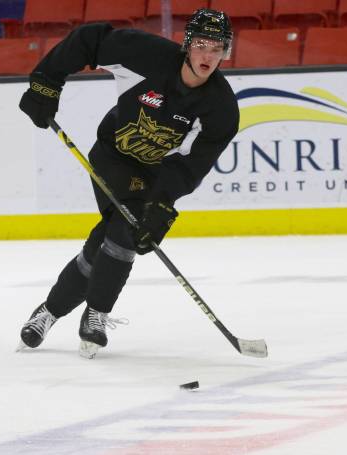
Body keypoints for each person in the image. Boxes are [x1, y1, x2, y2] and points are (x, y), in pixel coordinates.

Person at [18, 8, 239, 358]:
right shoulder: (145, 55)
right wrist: (47, 81)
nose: (207, 56)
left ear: (226, 52)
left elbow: (190, 166)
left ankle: (48, 311)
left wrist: (163, 204)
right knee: (125, 227)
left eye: (217, 48)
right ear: (187, 44)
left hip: (154, 174)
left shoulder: (221, 109)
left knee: (115, 233)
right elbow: (89, 40)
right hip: (113, 156)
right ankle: (97, 313)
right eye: (201, 45)